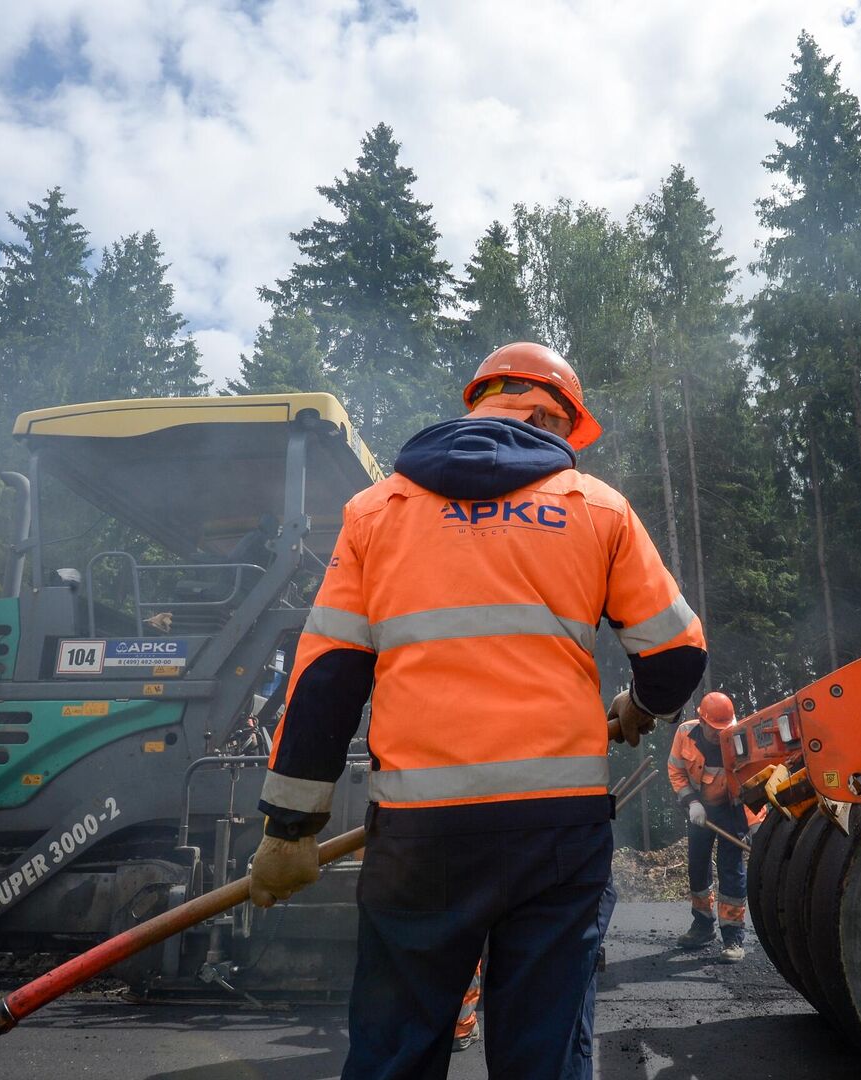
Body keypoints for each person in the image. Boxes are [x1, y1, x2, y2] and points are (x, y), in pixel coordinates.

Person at [248, 341, 708, 1080]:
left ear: (482, 402)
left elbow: (326, 678)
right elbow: (678, 656)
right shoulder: (595, 508)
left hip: (420, 840)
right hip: (556, 833)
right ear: (551, 417)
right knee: (544, 1055)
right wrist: (638, 705)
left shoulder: (377, 511)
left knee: (394, 1051)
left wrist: (290, 826)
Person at [669, 690, 751, 962]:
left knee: (730, 869)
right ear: (701, 721)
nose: (719, 735)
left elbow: (753, 781)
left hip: (731, 810)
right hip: (700, 810)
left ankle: (733, 938)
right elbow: (676, 770)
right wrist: (692, 802)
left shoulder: (740, 737)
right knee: (697, 867)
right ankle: (703, 927)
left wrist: (754, 824)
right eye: (714, 729)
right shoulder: (685, 734)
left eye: (722, 729)